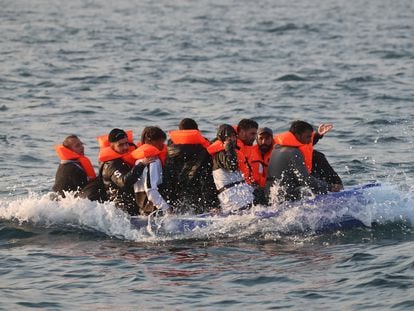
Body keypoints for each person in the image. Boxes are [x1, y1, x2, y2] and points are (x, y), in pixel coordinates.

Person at [266, 120, 340, 203]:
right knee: (311, 189)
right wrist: (329, 187)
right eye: (308, 137)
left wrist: (318, 135)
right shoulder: (294, 152)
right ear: (298, 135)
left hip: (272, 194)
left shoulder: (278, 147)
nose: (309, 140)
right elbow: (306, 180)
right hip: (285, 197)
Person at [162, 118, 219, 214]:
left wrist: (169, 203)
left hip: (177, 195)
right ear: (197, 131)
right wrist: (213, 204)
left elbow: (168, 176)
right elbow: (207, 178)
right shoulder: (203, 148)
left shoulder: (170, 149)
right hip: (198, 194)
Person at [99, 128, 152, 215]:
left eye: (126, 143)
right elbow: (124, 182)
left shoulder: (126, 157)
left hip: (134, 204)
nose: (125, 147)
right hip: (121, 210)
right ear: (112, 146)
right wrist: (141, 165)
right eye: (120, 145)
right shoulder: (110, 165)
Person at [207, 124, 254, 213]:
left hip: (241, 198)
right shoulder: (220, 154)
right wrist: (229, 149)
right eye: (228, 137)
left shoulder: (233, 153)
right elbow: (231, 166)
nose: (232, 139)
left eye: (233, 136)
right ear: (222, 138)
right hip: (231, 201)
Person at [132, 126, 171, 215]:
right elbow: (150, 190)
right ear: (151, 141)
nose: (162, 145)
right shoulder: (152, 161)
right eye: (161, 142)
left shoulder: (139, 160)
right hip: (153, 211)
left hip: (144, 209)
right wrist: (167, 209)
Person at [236, 119, 258, 184]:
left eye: (255, 134)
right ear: (242, 133)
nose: (255, 137)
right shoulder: (232, 149)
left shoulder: (247, 149)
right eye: (252, 134)